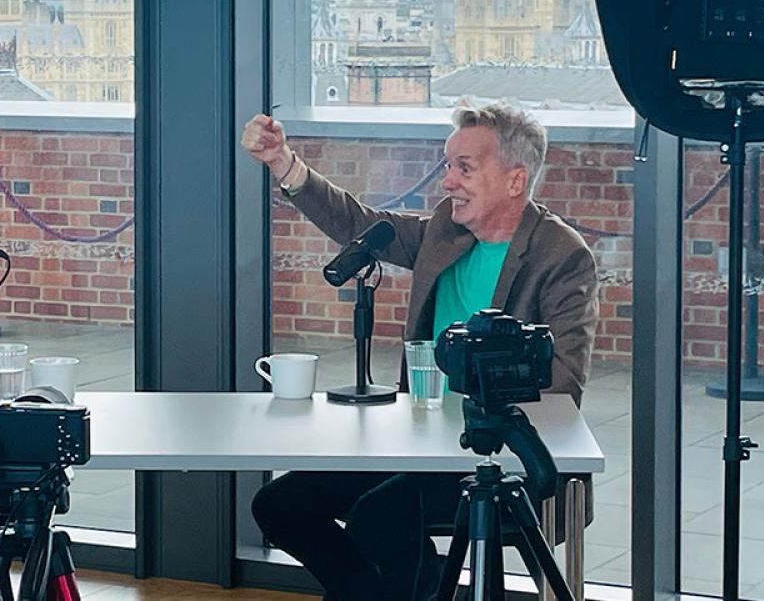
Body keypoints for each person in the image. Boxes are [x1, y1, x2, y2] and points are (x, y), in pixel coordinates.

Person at [241, 103, 599, 601]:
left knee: (379, 517)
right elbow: (360, 224)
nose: (447, 181)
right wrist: (285, 163)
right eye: (447, 165)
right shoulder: (444, 231)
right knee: (280, 505)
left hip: (497, 453)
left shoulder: (560, 254)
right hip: (419, 443)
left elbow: (563, 385)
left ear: (515, 181)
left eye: (464, 168)